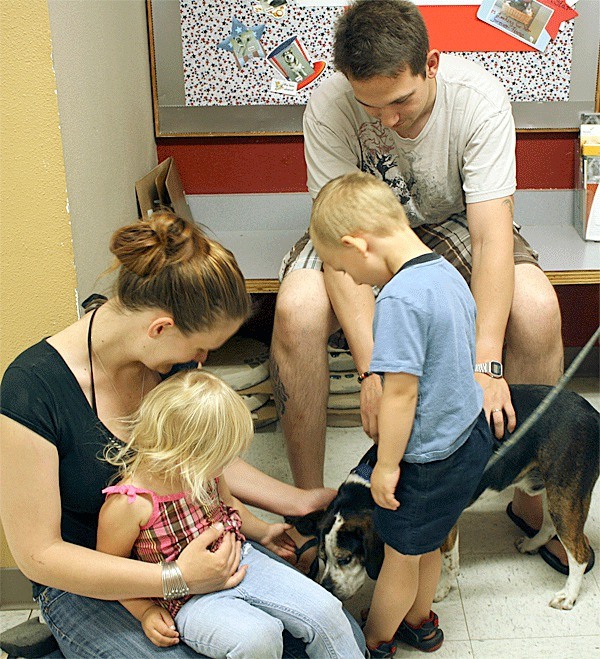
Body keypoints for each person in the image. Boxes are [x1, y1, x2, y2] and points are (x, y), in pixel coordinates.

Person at [270, 0, 568, 571]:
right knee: (297, 309)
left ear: (430, 64)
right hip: (360, 231)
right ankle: (310, 515)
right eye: (369, 105)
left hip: (455, 222)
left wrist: (486, 365)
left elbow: (490, 237)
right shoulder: (328, 105)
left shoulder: (478, 99)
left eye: (400, 101)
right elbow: (340, 240)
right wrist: (372, 373)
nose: (386, 119)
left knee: (536, 308)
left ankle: (529, 503)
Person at [0, 210, 364, 658]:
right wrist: (173, 580)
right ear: (160, 328)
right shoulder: (32, 391)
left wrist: (290, 503)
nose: (203, 358)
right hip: (90, 580)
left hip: (191, 545)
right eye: (201, 346)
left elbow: (194, 456)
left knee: (331, 631)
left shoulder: (167, 362)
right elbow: (38, 555)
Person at [310, 171, 496, 657]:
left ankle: (376, 640)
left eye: (343, 267)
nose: (350, 279)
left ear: (359, 245)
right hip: (466, 440)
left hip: (426, 458)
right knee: (428, 541)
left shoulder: (397, 299)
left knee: (399, 556)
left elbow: (399, 395)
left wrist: (388, 465)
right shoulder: (446, 272)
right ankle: (421, 621)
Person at [97, 369, 364, 659]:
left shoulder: (203, 473)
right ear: (184, 452)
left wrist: (262, 531)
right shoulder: (131, 504)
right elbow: (111, 572)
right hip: (187, 599)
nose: (225, 465)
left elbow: (227, 506)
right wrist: (146, 610)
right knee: (257, 638)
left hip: (242, 561)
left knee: (325, 610)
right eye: (220, 456)